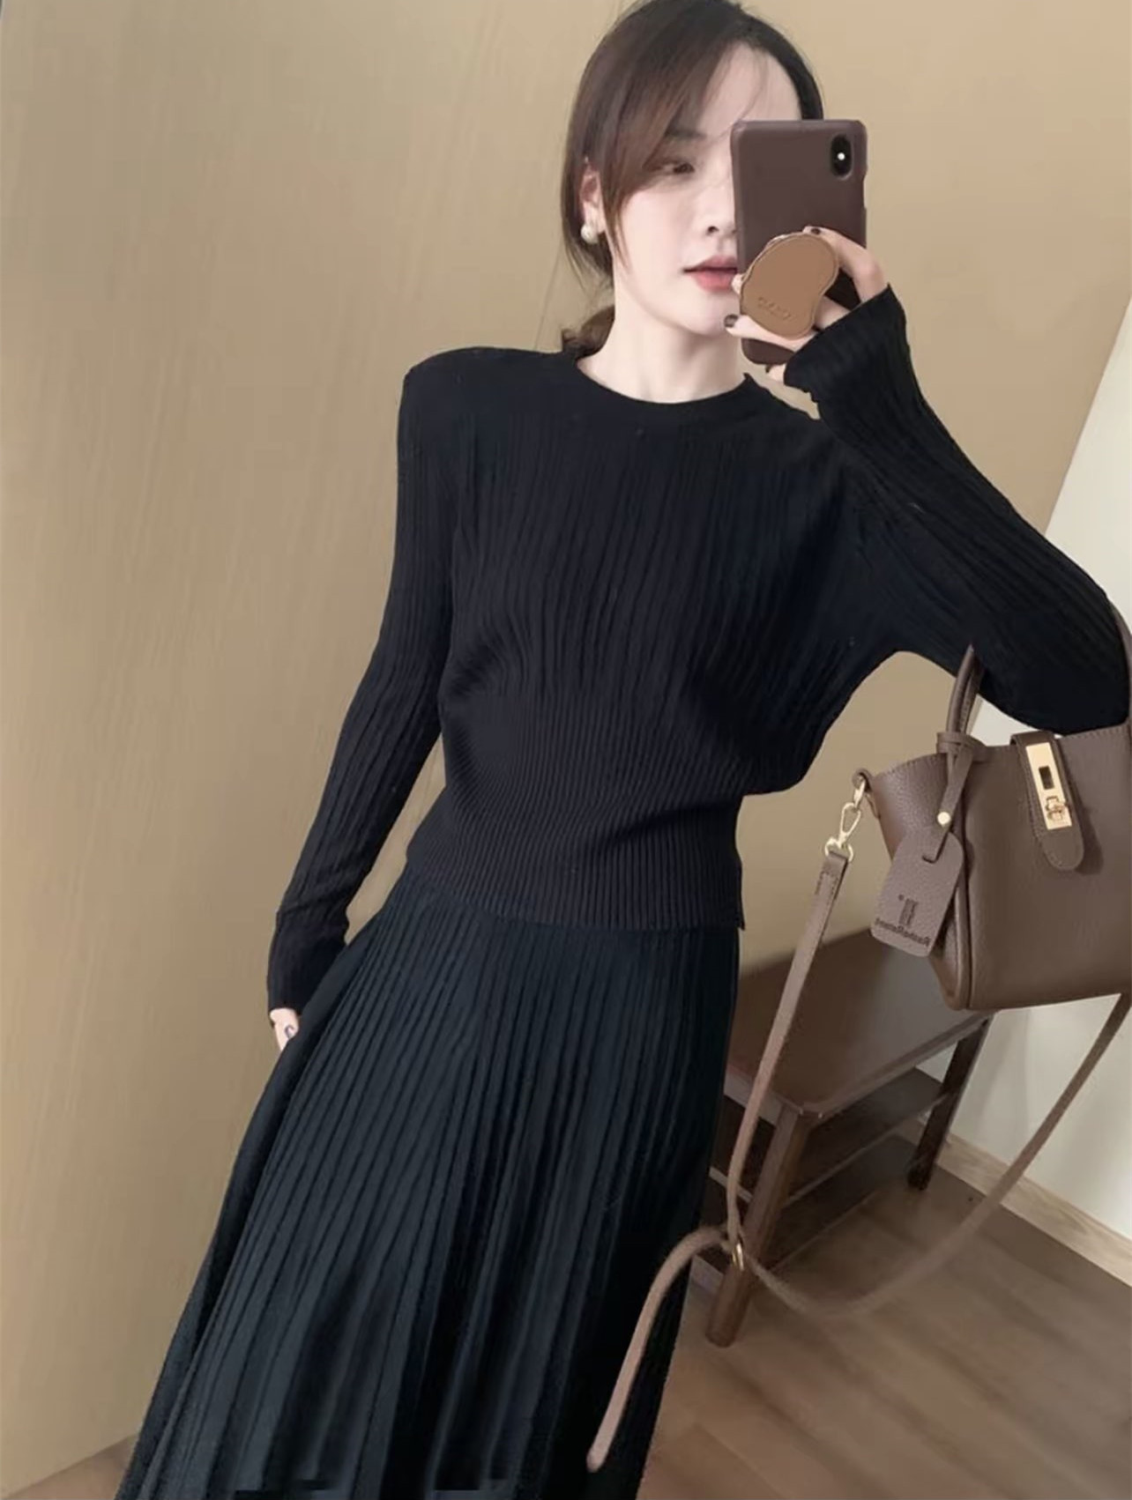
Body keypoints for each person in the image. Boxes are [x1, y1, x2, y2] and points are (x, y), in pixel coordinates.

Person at [114, 1, 1131, 1497]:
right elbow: (406, 676)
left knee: (524, 1399)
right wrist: (303, 929)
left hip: (638, 1020)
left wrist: (875, 391)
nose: (719, 208)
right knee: (300, 1367)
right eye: (673, 161)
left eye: (758, 166)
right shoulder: (465, 409)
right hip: (429, 968)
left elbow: (1088, 677)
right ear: (593, 194)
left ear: (813, 201)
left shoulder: (831, 487)